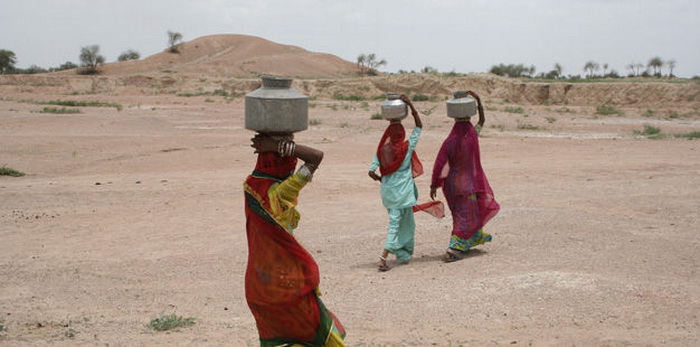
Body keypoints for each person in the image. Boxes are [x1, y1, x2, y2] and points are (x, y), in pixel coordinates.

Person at [244, 133, 346, 346]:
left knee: (279, 337)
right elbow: (316, 157)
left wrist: (270, 146)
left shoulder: (251, 187)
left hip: (259, 285)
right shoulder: (283, 193)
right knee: (316, 333)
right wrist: (281, 145)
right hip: (289, 283)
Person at [430, 90, 500, 262]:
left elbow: (441, 164)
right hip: (470, 184)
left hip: (454, 184)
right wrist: (478, 101)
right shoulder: (473, 135)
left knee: (462, 214)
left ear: (454, 119)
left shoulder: (450, 141)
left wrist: (435, 184)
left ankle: (466, 243)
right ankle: (453, 249)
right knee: (468, 214)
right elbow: (482, 120)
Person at [368, 94, 424, 272]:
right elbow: (419, 126)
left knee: (404, 221)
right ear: (402, 134)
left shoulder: (382, 149)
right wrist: (410, 105)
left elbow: (371, 171)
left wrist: (381, 179)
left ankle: (403, 253)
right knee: (398, 223)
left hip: (388, 192)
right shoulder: (407, 147)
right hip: (403, 191)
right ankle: (383, 258)